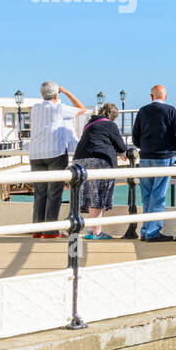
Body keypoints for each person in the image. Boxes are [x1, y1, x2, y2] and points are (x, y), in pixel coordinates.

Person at [29, 81, 87, 238]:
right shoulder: (60, 108)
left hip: (35, 154)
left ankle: (37, 230)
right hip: (55, 152)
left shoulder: (35, 108)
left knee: (40, 193)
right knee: (54, 193)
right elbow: (82, 109)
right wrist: (67, 92)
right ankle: (50, 231)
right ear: (56, 94)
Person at [131, 85, 176, 242]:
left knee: (147, 195)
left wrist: (144, 147)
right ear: (166, 96)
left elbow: (135, 136)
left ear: (151, 96)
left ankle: (145, 230)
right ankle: (153, 232)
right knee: (158, 195)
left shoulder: (142, 111)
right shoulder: (170, 110)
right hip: (164, 156)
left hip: (145, 157)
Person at [73, 103, 128, 239]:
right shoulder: (110, 125)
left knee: (91, 195)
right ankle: (96, 232)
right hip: (99, 160)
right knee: (99, 195)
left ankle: (93, 230)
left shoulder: (89, 124)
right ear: (113, 116)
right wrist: (122, 153)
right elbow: (121, 145)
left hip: (80, 161)